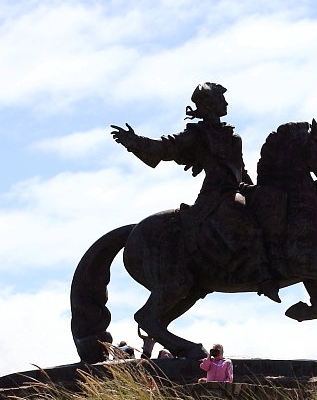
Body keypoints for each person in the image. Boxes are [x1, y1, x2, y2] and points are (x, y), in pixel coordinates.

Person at [110, 82, 284, 302]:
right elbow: (166, 147)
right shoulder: (197, 134)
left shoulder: (231, 135)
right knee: (243, 219)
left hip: (236, 189)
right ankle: (263, 277)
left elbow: (239, 168)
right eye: (222, 100)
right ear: (210, 105)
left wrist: (256, 190)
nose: (226, 103)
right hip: (216, 197)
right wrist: (135, 142)